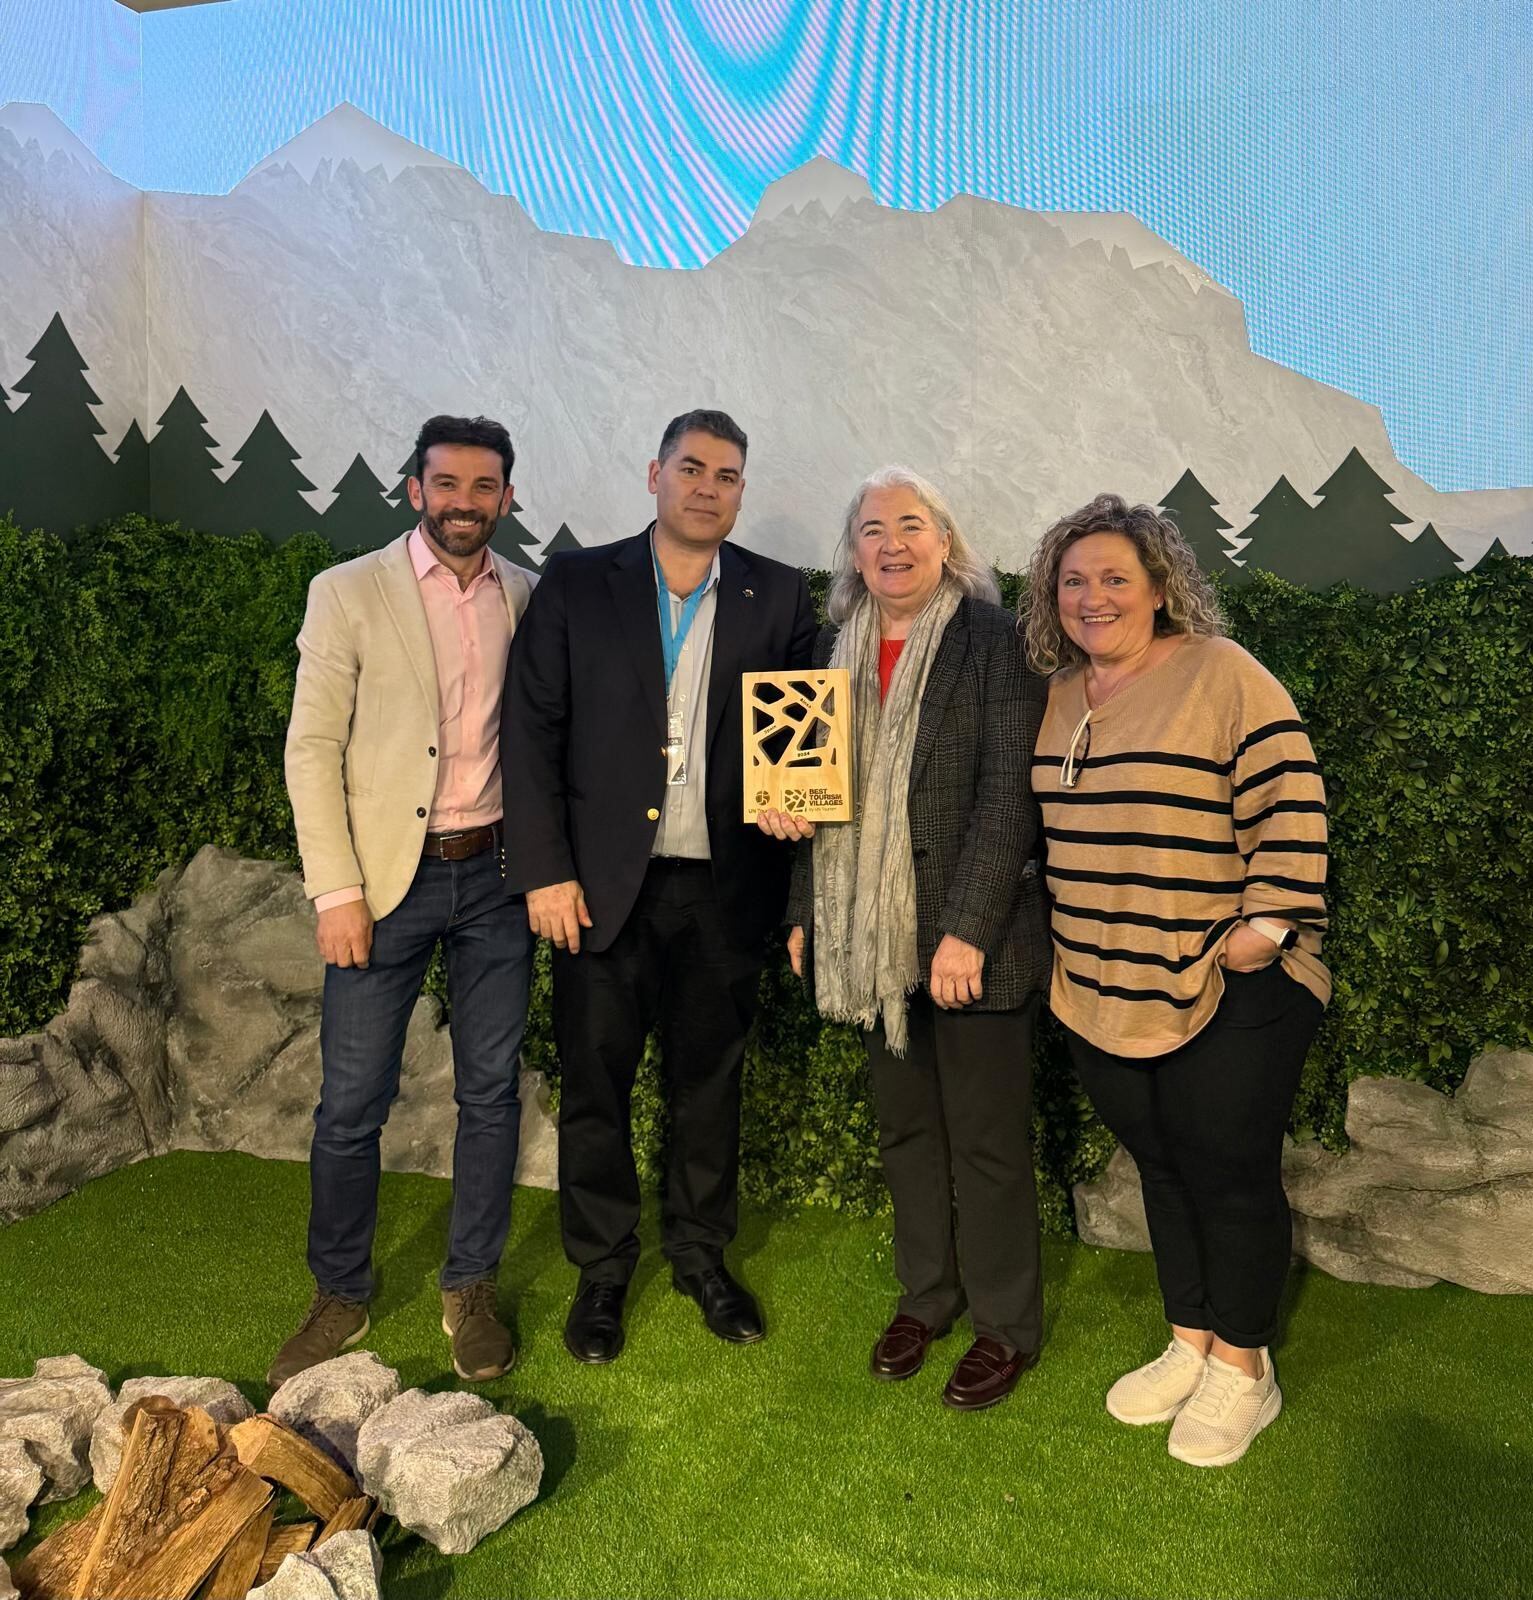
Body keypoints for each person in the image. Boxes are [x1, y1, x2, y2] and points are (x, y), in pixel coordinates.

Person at [500, 409, 817, 1363]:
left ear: (740, 491)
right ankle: (602, 1271)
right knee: (596, 1089)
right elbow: (530, 732)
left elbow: (799, 736)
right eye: (691, 468)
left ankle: (700, 1256)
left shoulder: (779, 594)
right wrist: (545, 872)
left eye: (726, 475)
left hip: (725, 889)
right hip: (598, 893)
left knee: (707, 1087)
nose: (707, 486)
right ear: (654, 474)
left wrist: (796, 797)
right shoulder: (577, 582)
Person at [1025, 492, 1328, 1467]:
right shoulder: (1063, 692)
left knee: (1229, 1174)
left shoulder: (1221, 673)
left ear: (1160, 586)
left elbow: (1288, 791)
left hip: (1226, 980)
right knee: (1158, 1162)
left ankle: (1245, 1369)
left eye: (1114, 577)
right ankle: (1189, 1338)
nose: (1092, 596)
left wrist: (1266, 924)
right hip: (1101, 986)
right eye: (1073, 581)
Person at [762, 466, 1049, 1410]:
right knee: (907, 1130)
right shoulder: (827, 651)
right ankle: (929, 1294)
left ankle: (1006, 1325)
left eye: (911, 525)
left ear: (946, 543)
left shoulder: (994, 641)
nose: (892, 542)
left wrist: (967, 931)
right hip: (866, 944)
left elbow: (1011, 794)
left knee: (988, 1143)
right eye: (872, 527)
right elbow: (812, 805)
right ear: (853, 552)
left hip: (973, 944)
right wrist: (808, 911)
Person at [272, 415, 537, 1389]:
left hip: (498, 879)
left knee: (491, 1094)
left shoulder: (528, 597)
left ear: (507, 497)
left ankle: (470, 1285)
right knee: (350, 1104)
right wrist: (335, 889)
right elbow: (310, 748)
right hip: (383, 885)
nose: (464, 502)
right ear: (415, 488)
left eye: (484, 486)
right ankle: (338, 1290)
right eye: (446, 483)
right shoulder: (346, 593)